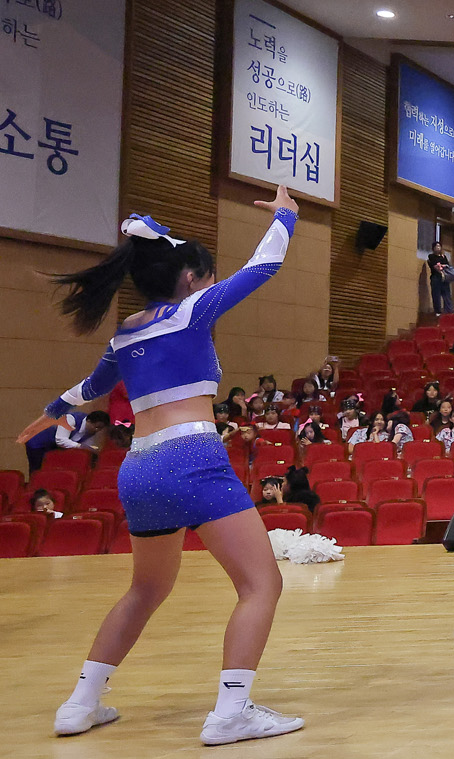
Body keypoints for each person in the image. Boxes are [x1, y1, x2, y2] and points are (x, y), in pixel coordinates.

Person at [21, 188, 305, 744]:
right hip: (192, 456)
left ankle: (79, 704)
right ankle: (230, 713)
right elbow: (265, 264)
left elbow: (94, 386)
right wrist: (287, 216)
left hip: (137, 468)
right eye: (206, 275)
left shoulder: (125, 331)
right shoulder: (193, 309)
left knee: (145, 589)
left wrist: (52, 410)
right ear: (191, 276)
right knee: (260, 583)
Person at [23, 409, 109, 471]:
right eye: (96, 427)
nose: (97, 430)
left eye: (100, 429)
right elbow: (60, 440)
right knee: (38, 469)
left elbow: (86, 446)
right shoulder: (70, 419)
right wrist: (80, 446)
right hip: (38, 443)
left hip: (54, 446)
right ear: (89, 421)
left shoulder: (90, 432)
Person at [427, 242, 454, 315]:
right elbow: (435, 266)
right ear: (433, 248)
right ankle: (437, 311)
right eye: (436, 246)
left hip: (445, 277)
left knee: (447, 294)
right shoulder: (431, 256)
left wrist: (441, 265)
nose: (438, 248)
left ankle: (449, 310)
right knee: (436, 294)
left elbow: (447, 266)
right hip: (436, 277)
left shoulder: (443, 256)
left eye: (439, 246)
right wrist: (440, 266)